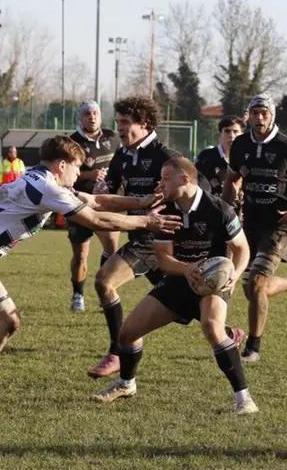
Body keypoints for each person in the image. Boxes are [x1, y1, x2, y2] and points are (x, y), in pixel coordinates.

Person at [0, 135, 183, 406]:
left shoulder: (40, 178)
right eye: (77, 167)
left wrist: (142, 202)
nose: (79, 173)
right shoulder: (47, 188)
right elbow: (97, 219)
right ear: (62, 165)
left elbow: (97, 201)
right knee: (8, 320)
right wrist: (147, 222)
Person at [91, 158, 257, 414]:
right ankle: (126, 384)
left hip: (214, 281)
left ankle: (244, 399)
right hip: (180, 278)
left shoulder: (219, 209)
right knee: (127, 333)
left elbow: (242, 249)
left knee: (213, 327)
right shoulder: (166, 210)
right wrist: (186, 269)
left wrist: (235, 272)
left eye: (166, 178)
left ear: (185, 179)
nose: (160, 183)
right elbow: (163, 260)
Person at [86, 96, 188, 379]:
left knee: (105, 281)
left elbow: (195, 188)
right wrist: (103, 187)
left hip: (157, 235)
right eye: (117, 122)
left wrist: (172, 192)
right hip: (141, 233)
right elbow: (111, 188)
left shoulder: (166, 155)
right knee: (180, 304)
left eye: (125, 122)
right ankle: (229, 333)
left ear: (144, 123)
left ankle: (116, 353)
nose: (119, 128)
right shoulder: (122, 154)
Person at [222, 94, 287, 363]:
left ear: (272, 115)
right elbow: (232, 180)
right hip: (249, 222)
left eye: (264, 112)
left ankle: (253, 348)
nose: (260, 117)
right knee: (252, 289)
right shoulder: (241, 144)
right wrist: (224, 212)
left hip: (278, 225)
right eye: (255, 113)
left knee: (255, 284)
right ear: (249, 115)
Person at [67, 100, 122, 312]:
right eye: (87, 114)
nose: (92, 117)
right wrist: (89, 174)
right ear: (80, 118)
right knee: (81, 255)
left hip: (106, 202)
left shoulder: (112, 137)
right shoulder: (71, 142)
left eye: (95, 113)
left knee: (112, 247)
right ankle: (78, 294)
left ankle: (103, 288)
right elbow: (63, 173)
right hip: (79, 203)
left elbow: (121, 163)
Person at [194, 115, 245, 198]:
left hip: (238, 209)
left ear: (242, 135)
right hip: (212, 207)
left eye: (235, 131)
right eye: (227, 131)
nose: (231, 136)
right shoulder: (206, 157)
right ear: (220, 135)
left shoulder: (246, 158)